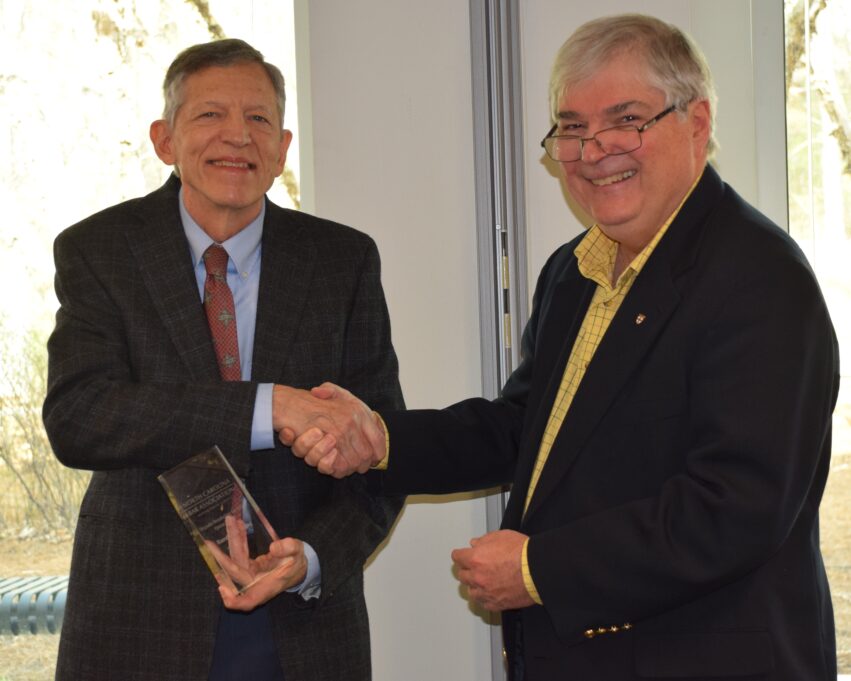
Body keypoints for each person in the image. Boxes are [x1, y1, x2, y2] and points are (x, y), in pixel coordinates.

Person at [284, 14, 840, 681]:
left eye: (626, 118)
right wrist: (380, 440)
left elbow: (734, 508)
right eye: (571, 127)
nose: (594, 147)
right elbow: (524, 427)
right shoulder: (574, 268)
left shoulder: (756, 277)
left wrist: (535, 569)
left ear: (696, 123)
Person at [42, 38, 403, 681]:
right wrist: (269, 407)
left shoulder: (342, 261)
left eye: (258, 119)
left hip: (302, 626)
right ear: (164, 140)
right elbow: (81, 415)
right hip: (136, 622)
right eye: (210, 115)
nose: (237, 137)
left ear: (283, 147)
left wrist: (314, 557)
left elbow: (381, 449)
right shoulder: (100, 250)